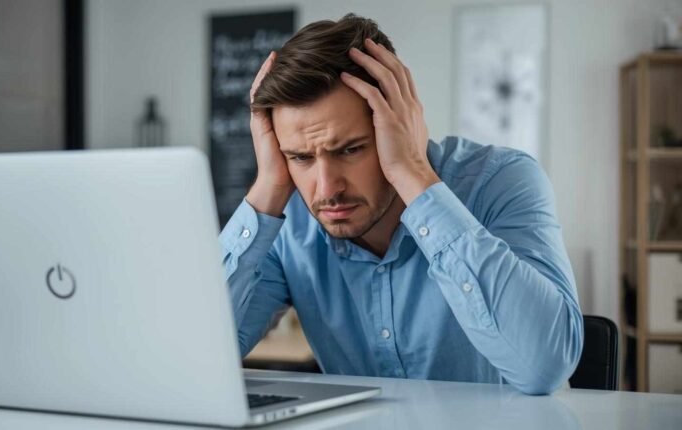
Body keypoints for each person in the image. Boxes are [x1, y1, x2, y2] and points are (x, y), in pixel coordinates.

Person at [218, 13, 583, 395]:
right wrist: (267, 188)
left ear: (399, 122)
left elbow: (544, 367)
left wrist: (412, 172)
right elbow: (198, 356)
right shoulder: (289, 220)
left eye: (351, 149)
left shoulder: (502, 181)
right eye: (301, 158)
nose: (326, 188)